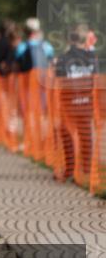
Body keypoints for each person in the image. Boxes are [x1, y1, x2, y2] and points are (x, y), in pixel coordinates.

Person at [54, 24, 97, 182]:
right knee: (86, 137)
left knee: (67, 136)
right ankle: (86, 170)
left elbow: (59, 77)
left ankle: (70, 170)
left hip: (69, 104)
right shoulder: (91, 57)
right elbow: (95, 78)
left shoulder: (64, 58)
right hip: (86, 103)